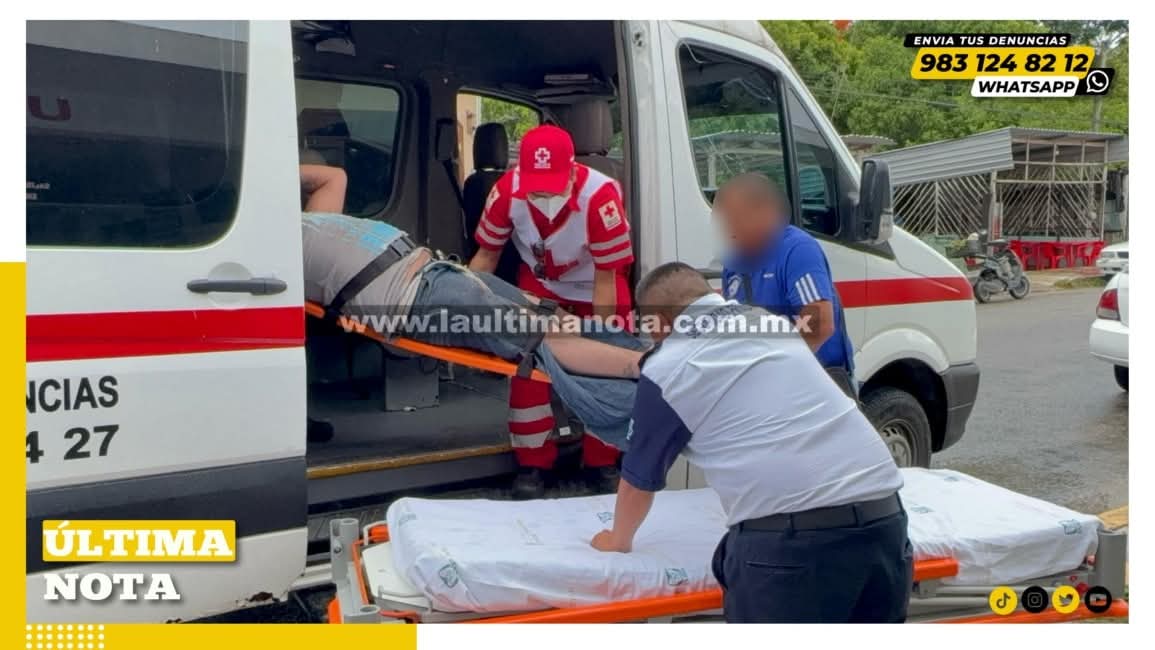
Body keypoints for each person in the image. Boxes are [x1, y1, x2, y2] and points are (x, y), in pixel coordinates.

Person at [590, 263, 911, 623]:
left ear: (660, 322)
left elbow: (638, 481)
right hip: (887, 521)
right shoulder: (771, 325)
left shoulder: (669, 368)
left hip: (794, 546)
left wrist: (618, 540)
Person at [298, 164, 646, 453]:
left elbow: (335, 176)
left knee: (548, 314)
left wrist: (267, 172)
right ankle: (643, 369)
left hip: (438, 274)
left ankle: (639, 352)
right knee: (537, 337)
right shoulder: (282, 244)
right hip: (419, 302)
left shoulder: (310, 220)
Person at [468, 124, 634, 498]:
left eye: (552, 182)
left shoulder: (600, 196)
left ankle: (602, 461)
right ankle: (532, 464)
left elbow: (608, 278)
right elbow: (486, 256)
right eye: (535, 183)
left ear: (573, 171)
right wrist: (465, 311)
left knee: (606, 370)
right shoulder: (507, 192)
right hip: (541, 287)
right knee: (527, 369)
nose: (543, 191)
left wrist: (599, 336)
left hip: (596, 286)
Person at [713, 173, 857, 397]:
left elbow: (820, 324)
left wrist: (772, 368)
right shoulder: (734, 263)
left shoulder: (796, 249)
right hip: (766, 387)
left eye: (736, 218)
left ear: (764, 213)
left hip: (816, 381)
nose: (729, 227)